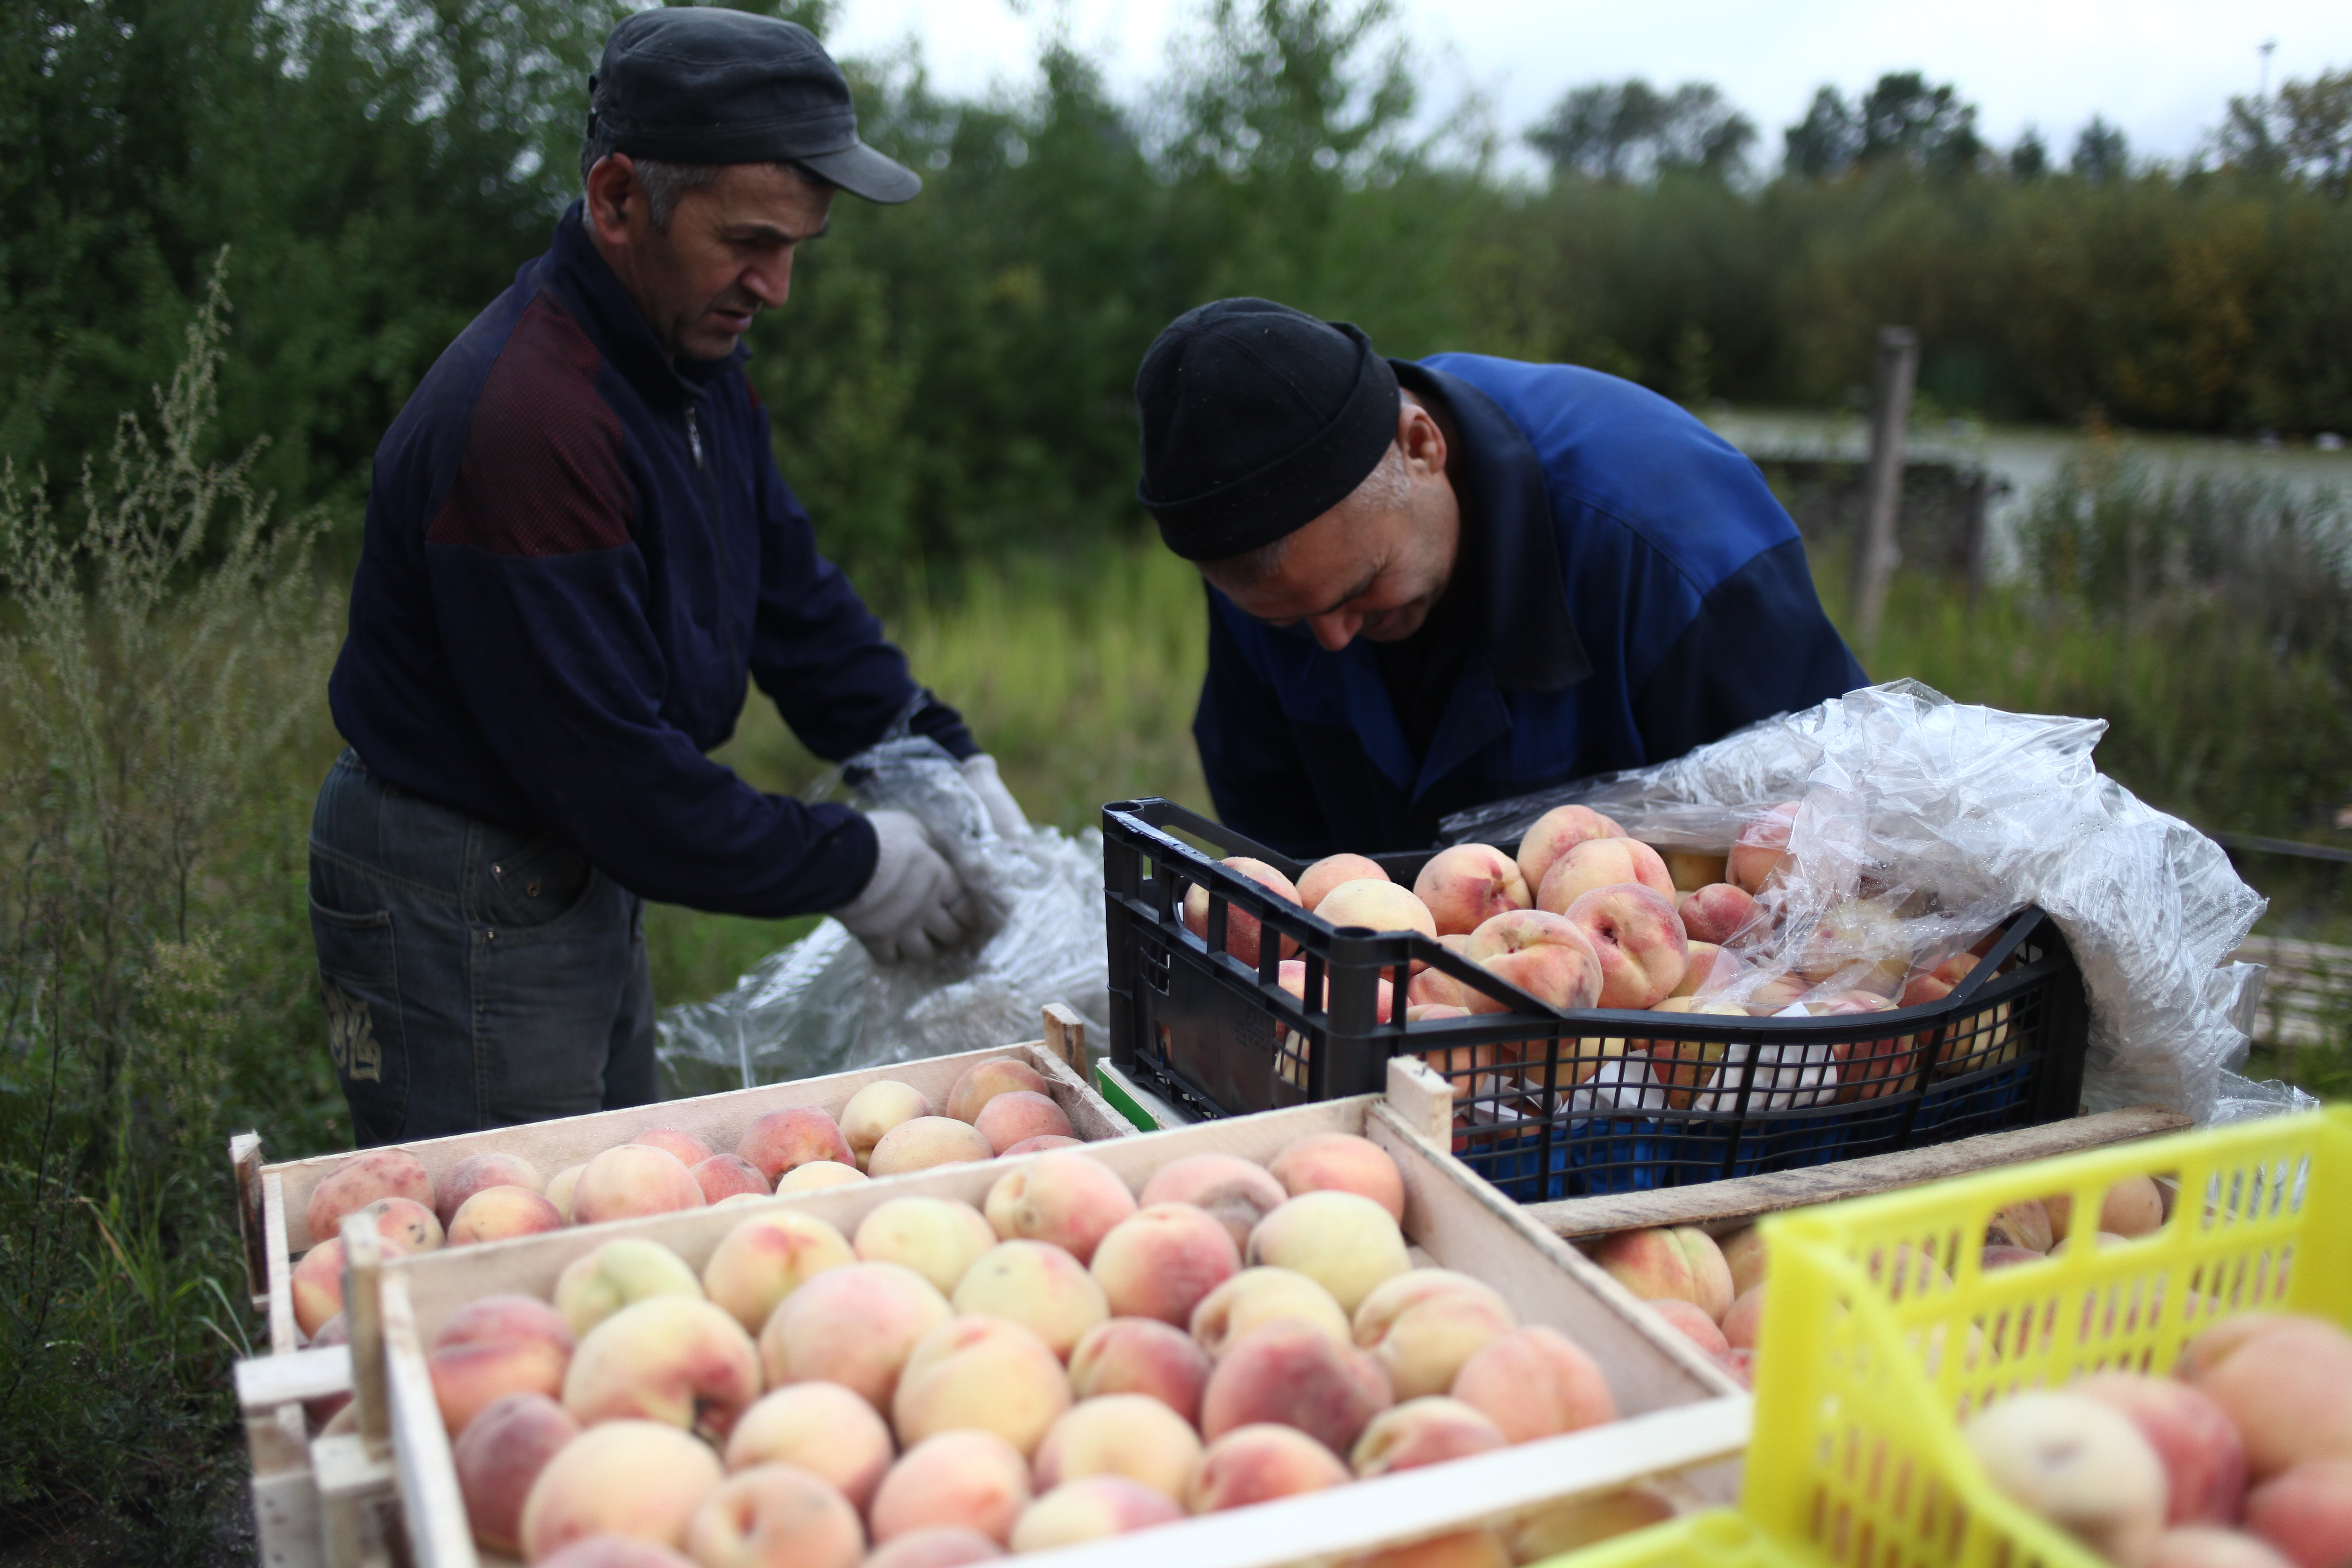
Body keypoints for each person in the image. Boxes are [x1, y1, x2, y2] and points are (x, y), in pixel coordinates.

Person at [310, 10, 1025, 1145]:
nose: (776, 286)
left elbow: (791, 597)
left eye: (797, 245)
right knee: (517, 1229)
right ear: (616, 201)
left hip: (572, 848)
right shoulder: (533, 419)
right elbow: (611, 773)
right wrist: (857, 863)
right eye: (748, 240)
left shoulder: (691, 368)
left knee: (609, 1189)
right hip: (460, 883)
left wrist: (933, 749)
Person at [1133, 297, 1867, 858]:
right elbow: (1273, 821)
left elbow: (1823, 834)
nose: (1330, 638)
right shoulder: (1276, 558)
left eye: (1361, 588)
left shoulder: (1672, 548)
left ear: (1421, 447)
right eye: (1288, 622)